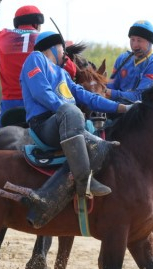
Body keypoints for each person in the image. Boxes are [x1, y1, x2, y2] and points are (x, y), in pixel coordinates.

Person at [20, 31, 132, 226]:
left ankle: (51, 197)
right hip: (44, 125)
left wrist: (121, 107)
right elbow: (41, 93)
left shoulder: (62, 73)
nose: (65, 53)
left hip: (67, 121)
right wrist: (67, 110)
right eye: (63, 48)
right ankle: (83, 181)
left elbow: (87, 97)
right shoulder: (35, 59)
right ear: (53, 47)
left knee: (101, 143)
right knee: (73, 113)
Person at [0, 5, 47, 131]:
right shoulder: (45, 39)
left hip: (10, 106)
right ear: (36, 23)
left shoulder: (2, 36)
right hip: (38, 104)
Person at [105, 20, 153, 104]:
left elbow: (139, 97)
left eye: (139, 40)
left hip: (142, 114)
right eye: (132, 40)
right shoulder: (122, 59)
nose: (134, 45)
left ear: (149, 42)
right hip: (116, 108)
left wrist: (109, 92)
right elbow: (111, 85)